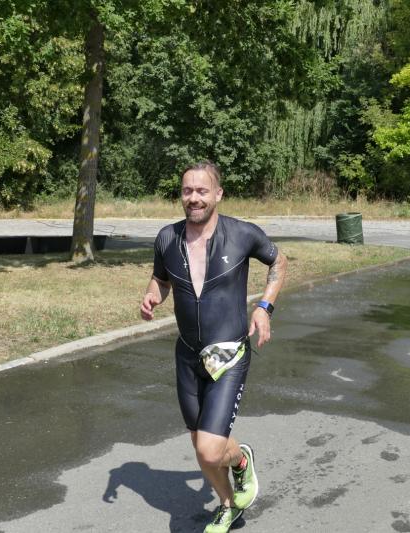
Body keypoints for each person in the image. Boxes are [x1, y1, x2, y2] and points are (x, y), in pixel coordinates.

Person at [140, 161, 287, 533]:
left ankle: (239, 461)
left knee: (209, 450)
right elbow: (161, 280)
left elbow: (279, 262)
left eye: (202, 191)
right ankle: (228, 503)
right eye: (187, 190)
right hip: (188, 356)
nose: (194, 198)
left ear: (218, 194)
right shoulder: (167, 238)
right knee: (200, 443)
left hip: (229, 355)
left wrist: (264, 307)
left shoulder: (242, 234)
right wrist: (152, 295)